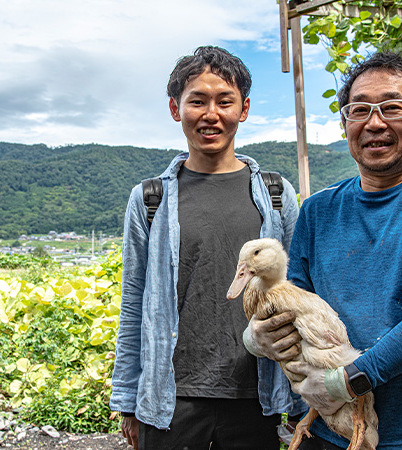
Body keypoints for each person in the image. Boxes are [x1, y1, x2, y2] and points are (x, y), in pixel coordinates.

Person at [249, 52, 402, 449]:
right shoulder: (319, 209)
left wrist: (348, 380)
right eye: (359, 109)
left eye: (393, 107)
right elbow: (294, 299)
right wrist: (259, 335)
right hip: (329, 429)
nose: (374, 122)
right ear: (346, 124)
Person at [109, 45, 301, 450]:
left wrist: (299, 394)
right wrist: (128, 397)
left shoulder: (276, 194)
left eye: (224, 101)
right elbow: (134, 300)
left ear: (243, 109)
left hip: (256, 394)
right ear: (176, 109)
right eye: (197, 101)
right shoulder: (150, 199)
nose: (210, 114)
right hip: (171, 396)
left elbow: (294, 293)